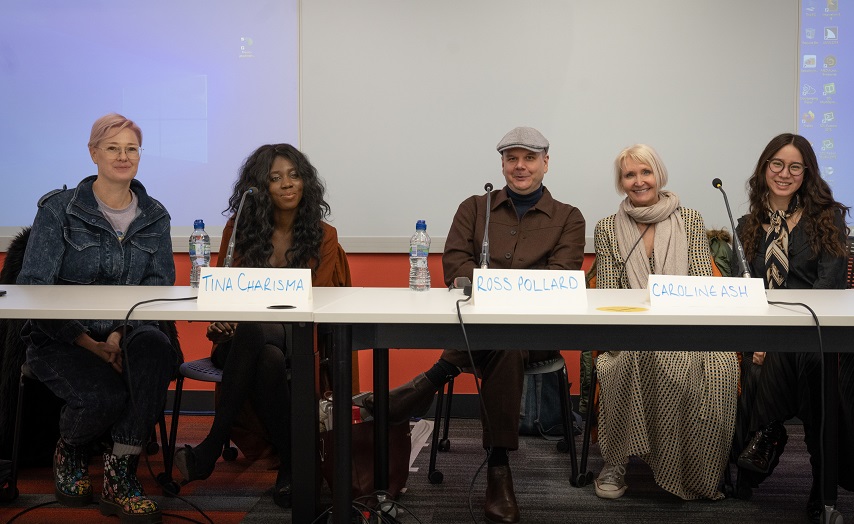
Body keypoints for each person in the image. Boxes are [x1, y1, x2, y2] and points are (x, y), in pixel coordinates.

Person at [364, 126, 585, 524]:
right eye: (512, 158)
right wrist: (505, 290)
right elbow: (455, 266)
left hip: (535, 334)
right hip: (477, 329)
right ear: (502, 164)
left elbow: (560, 278)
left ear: (546, 164)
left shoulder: (569, 217)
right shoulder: (474, 207)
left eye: (529, 158)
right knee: (501, 341)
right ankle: (498, 470)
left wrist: (495, 288)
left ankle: (422, 387)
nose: (520, 166)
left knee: (509, 339)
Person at [16, 113, 177, 523]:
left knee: (158, 350)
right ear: (93, 154)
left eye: (131, 149)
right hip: (62, 340)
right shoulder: (59, 210)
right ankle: (69, 448)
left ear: (140, 155)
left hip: (126, 334)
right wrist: (91, 344)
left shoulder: (155, 215)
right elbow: (34, 287)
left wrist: (119, 339)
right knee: (107, 396)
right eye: (112, 148)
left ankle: (120, 472)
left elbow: (156, 290)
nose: (123, 157)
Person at [732, 133, 854, 522]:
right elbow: (744, 291)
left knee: (817, 363)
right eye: (777, 164)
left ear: (807, 173)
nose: (784, 173)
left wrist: (781, 338)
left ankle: (771, 436)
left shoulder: (828, 218)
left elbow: (829, 287)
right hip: (767, 336)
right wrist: (759, 338)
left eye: (795, 166)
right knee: (803, 365)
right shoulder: (747, 225)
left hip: (817, 331)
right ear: (764, 168)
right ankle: (822, 483)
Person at [174, 143, 351, 508]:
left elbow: (318, 301)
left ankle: (210, 448)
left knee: (261, 338)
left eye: (294, 175)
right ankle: (291, 463)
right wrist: (221, 321)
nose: (288, 184)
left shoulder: (324, 235)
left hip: (296, 336)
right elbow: (223, 291)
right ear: (259, 188)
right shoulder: (238, 231)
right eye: (275, 178)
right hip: (240, 342)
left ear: (306, 182)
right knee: (264, 354)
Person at [592, 144, 739, 501]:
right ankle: (615, 462)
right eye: (630, 174)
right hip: (630, 331)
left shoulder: (690, 219)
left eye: (646, 172)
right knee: (624, 361)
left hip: (687, 328)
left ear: (659, 176)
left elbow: (703, 281)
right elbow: (610, 294)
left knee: (720, 367)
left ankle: (699, 467)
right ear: (621, 182)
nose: (639, 181)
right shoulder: (607, 228)